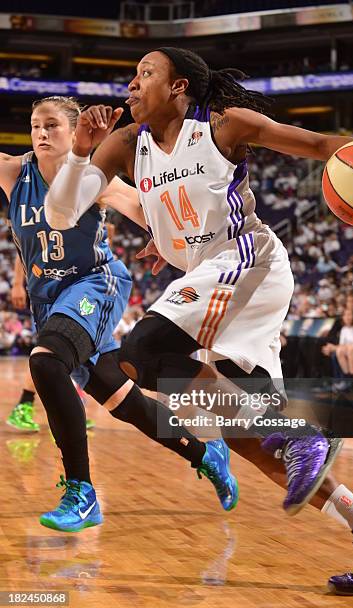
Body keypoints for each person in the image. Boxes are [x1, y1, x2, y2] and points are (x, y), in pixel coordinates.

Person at [44, 48, 353, 594]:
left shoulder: (221, 127)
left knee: (138, 354)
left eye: (146, 74)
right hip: (217, 279)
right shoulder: (125, 144)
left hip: (249, 263)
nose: (132, 84)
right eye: (133, 75)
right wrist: (78, 154)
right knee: (249, 440)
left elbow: (314, 144)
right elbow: (61, 214)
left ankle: (298, 430)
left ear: (179, 86)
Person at [0, 95, 240, 532]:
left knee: (46, 363)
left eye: (51, 125)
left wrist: (161, 236)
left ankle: (81, 492)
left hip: (94, 284)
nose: (41, 133)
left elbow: (152, 213)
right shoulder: (14, 172)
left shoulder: (96, 180)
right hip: (49, 301)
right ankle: (205, 453)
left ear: (75, 134)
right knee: (122, 401)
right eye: (35, 125)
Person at [6, 256, 96, 431]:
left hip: (74, 286)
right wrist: (17, 283)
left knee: (64, 351)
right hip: (49, 287)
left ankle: (70, 412)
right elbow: (21, 244)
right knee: (49, 351)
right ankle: (23, 407)